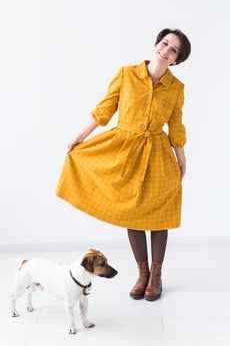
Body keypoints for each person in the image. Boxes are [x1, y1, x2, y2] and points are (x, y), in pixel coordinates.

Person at [55, 28, 191, 301]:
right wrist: (79, 137)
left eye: (173, 49)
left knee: (159, 215)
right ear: (156, 45)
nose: (166, 50)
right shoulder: (127, 74)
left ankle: (156, 276)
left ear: (177, 59)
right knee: (133, 214)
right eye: (164, 43)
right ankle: (142, 274)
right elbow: (104, 110)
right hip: (125, 152)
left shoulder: (176, 89)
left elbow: (175, 125)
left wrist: (182, 158)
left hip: (158, 156)